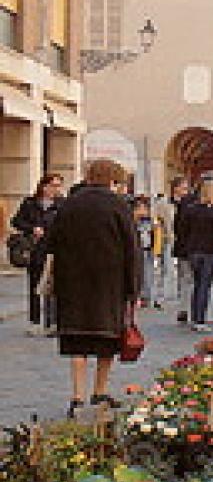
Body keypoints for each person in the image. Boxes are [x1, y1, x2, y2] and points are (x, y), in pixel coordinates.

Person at [48, 160, 137, 418]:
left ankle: (77, 395)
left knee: (77, 340)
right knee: (106, 338)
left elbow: (53, 241)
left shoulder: (70, 204)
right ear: (113, 180)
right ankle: (99, 390)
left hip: (72, 281)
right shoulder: (118, 206)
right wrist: (133, 288)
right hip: (109, 283)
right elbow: (131, 249)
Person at [12, 173, 64, 337]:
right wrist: (32, 228)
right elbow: (16, 221)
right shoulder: (30, 203)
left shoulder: (62, 204)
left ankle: (52, 322)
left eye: (58, 186)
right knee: (34, 287)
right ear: (44, 186)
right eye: (53, 185)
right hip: (35, 251)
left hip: (54, 251)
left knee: (52, 287)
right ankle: (34, 321)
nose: (56, 189)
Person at [183, 179, 213, 332]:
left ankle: (195, 317)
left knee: (197, 285)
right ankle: (200, 319)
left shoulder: (191, 209)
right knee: (205, 285)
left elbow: (184, 229)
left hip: (194, 251)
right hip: (210, 251)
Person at [170, 176, 194, 325]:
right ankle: (187, 308)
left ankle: (184, 308)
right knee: (187, 279)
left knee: (185, 279)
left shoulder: (185, 204)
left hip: (184, 246)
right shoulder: (191, 203)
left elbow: (177, 226)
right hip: (188, 247)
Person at [133, 196, 159, 310]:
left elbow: (156, 235)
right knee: (140, 273)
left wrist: (156, 248)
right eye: (139, 208)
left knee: (148, 273)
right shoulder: (132, 221)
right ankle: (140, 296)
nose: (142, 211)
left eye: (144, 208)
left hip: (148, 249)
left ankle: (147, 297)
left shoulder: (150, 221)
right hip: (138, 250)